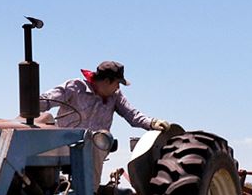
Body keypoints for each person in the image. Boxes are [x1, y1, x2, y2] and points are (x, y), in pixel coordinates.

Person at [38, 60, 169, 185]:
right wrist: (33, 104)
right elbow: (48, 99)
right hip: (64, 144)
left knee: (96, 141)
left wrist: (152, 123)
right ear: (107, 81)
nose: (118, 87)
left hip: (96, 146)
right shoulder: (75, 87)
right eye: (117, 83)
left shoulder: (116, 96)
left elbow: (132, 114)